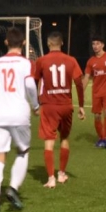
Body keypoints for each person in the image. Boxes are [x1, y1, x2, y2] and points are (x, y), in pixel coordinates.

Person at [0, 27, 39, 212]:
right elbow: (30, 85)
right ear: (24, 43)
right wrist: (36, 105)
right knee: (23, 151)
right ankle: (13, 188)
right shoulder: (26, 63)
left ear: (6, 42)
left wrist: (0, 95)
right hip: (19, 114)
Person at [32, 31, 86, 188]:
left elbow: (34, 82)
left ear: (48, 44)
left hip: (49, 106)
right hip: (66, 105)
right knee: (65, 138)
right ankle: (61, 174)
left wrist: (36, 103)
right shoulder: (71, 60)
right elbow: (79, 83)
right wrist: (81, 105)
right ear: (62, 43)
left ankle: (51, 178)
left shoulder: (41, 61)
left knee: (49, 141)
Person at [82, 37, 106, 148]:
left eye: (97, 43)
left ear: (102, 45)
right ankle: (101, 138)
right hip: (96, 93)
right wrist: (81, 93)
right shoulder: (91, 61)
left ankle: (104, 139)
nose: (95, 46)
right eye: (93, 44)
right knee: (97, 116)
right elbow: (86, 77)